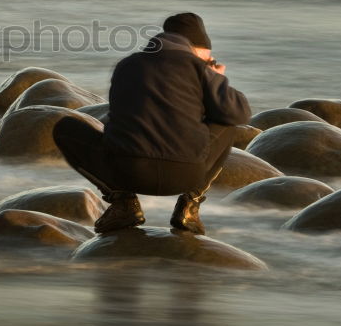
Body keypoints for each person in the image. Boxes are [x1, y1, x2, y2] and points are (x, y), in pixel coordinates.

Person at [52, 12, 251, 235]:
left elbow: (119, 118)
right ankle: (189, 206)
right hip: (186, 175)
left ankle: (123, 203)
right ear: (195, 50)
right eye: (208, 58)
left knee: (65, 128)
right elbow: (240, 113)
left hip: (128, 171)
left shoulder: (126, 65)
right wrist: (218, 80)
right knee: (227, 122)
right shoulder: (200, 69)